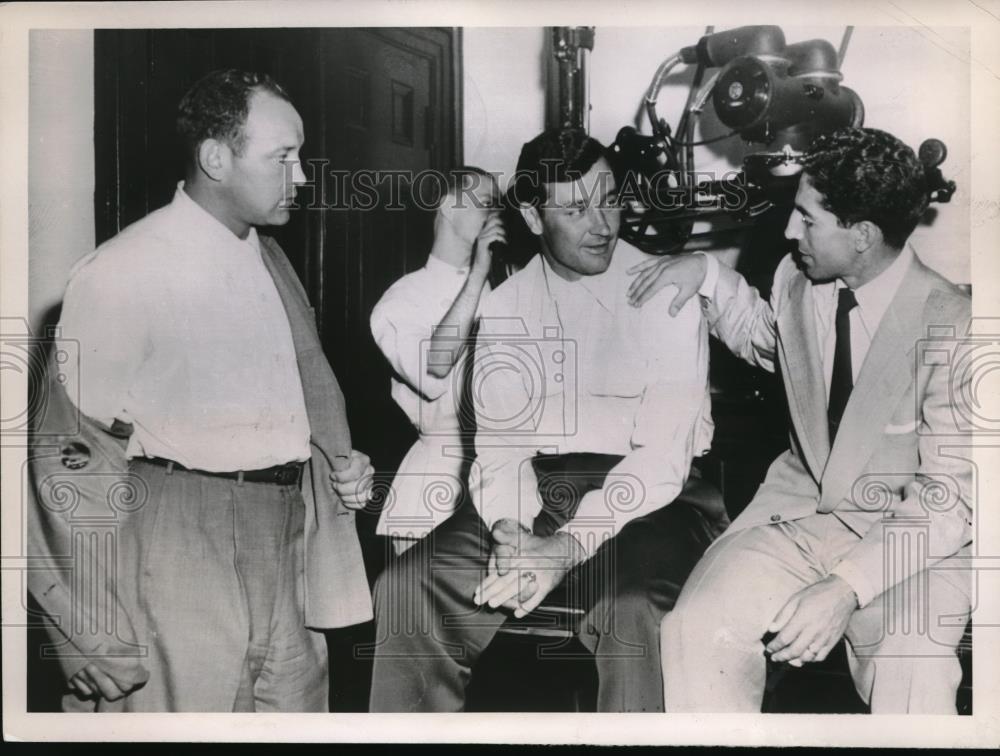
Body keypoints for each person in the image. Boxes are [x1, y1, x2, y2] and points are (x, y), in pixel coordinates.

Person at [29, 69, 375, 712]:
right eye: (283, 158)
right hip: (176, 538)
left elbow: (289, 401)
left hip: (283, 535)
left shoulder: (267, 256)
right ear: (217, 157)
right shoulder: (126, 269)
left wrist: (335, 461)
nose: (300, 177)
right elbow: (63, 455)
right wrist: (87, 624)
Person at [368, 128, 729, 713]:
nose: (603, 224)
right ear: (534, 219)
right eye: (575, 208)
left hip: (654, 501)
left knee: (632, 610)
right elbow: (503, 451)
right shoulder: (504, 306)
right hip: (535, 494)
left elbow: (662, 457)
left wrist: (564, 548)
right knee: (406, 591)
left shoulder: (665, 290)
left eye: (609, 198)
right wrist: (515, 535)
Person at [630, 127, 973, 713]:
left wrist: (845, 589)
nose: (791, 232)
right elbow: (773, 348)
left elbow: (948, 498)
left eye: (808, 219)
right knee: (694, 628)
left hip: (913, 539)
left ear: (862, 235)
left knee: (911, 662)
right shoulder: (798, 280)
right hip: (800, 516)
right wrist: (707, 276)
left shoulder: (958, 324)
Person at [370, 168, 503, 553]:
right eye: (485, 203)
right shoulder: (400, 299)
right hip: (434, 482)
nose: (495, 216)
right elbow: (435, 368)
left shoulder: (503, 289)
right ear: (447, 205)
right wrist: (477, 274)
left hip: (498, 473)